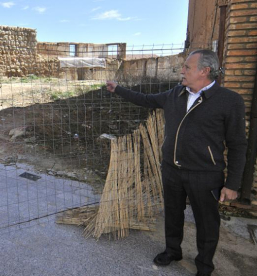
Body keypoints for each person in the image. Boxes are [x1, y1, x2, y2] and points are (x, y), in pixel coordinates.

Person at [106, 49, 247, 276]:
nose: (181, 71)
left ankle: (204, 265)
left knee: (207, 222)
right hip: (172, 169)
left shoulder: (229, 101)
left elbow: (239, 145)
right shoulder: (176, 94)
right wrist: (118, 89)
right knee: (172, 213)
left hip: (205, 174)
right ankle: (172, 250)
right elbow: (146, 100)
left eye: (187, 67)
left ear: (205, 71)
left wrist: (232, 184)